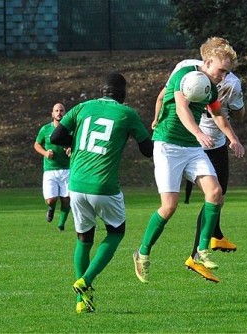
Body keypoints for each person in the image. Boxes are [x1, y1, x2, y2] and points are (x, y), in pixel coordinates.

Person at [134, 37, 245, 284]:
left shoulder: (212, 89)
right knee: (169, 207)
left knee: (215, 193)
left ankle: (201, 251)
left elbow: (218, 116)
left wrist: (233, 139)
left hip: (192, 148)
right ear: (207, 62)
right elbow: (182, 107)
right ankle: (142, 252)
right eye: (222, 70)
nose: (224, 76)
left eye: (228, 72)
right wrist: (197, 132)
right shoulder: (185, 74)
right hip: (167, 146)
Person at [50, 73, 153, 313]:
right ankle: (85, 281)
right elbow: (147, 150)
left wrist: (73, 143)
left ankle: (81, 303)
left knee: (84, 239)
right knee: (116, 232)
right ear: (123, 93)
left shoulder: (83, 107)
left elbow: (56, 137)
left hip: (75, 185)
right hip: (104, 186)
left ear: (102, 91)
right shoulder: (127, 113)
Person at [34, 103, 71, 231]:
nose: (59, 113)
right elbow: (37, 145)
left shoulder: (70, 130)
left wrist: (71, 149)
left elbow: (77, 144)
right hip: (50, 170)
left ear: (65, 113)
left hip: (67, 169)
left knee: (66, 200)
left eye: (61, 110)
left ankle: (61, 224)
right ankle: (51, 208)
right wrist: (45, 153)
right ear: (52, 114)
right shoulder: (45, 129)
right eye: (56, 110)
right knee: (50, 200)